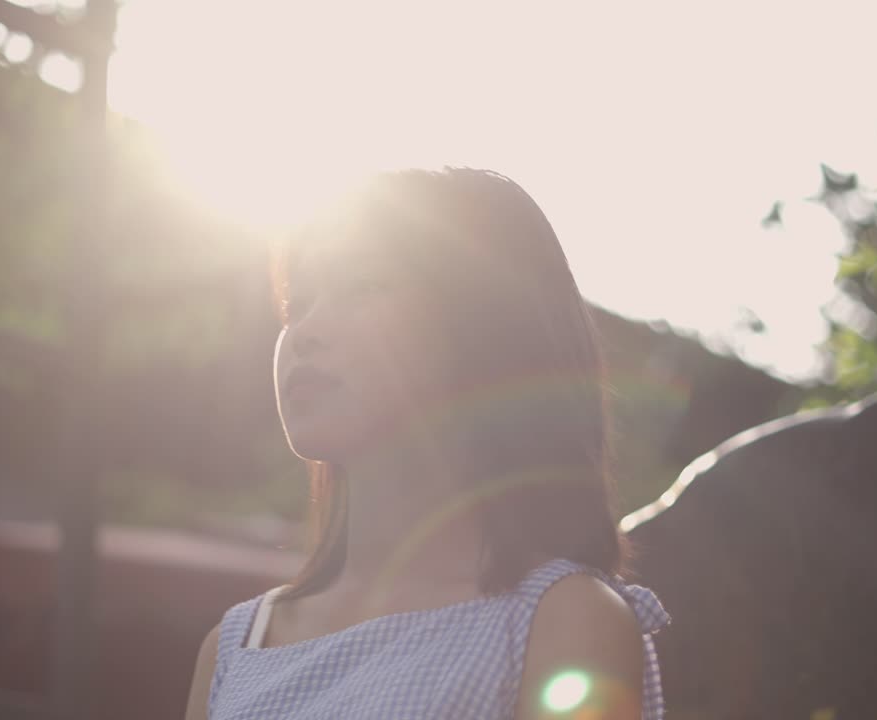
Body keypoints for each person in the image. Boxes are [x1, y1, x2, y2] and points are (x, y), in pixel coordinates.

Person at [185, 168, 668, 719]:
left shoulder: (562, 623)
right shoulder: (234, 647)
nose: (307, 331)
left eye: (361, 286)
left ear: (486, 326)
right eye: (298, 304)